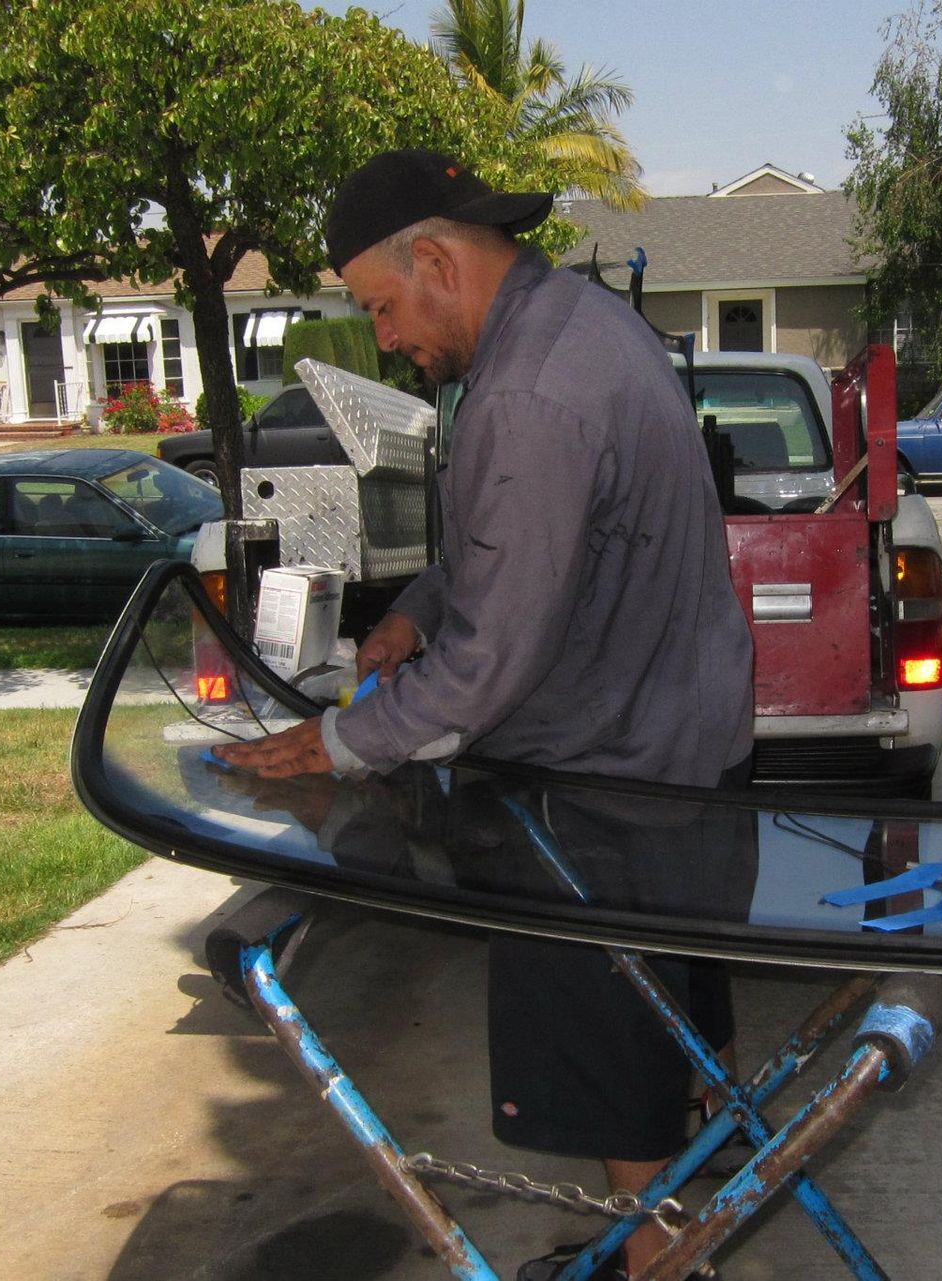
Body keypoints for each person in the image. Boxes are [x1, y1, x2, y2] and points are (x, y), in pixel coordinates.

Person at [214, 149, 755, 1279]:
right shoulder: (573, 329)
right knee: (678, 1042)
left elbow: (489, 667)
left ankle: (656, 1256)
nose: (387, 337)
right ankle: (679, 1220)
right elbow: (503, 553)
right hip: (682, 759)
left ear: (435, 260)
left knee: (622, 1092)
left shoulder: (528, 392)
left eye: (381, 307)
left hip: (606, 794)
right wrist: (410, 613)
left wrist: (334, 741)